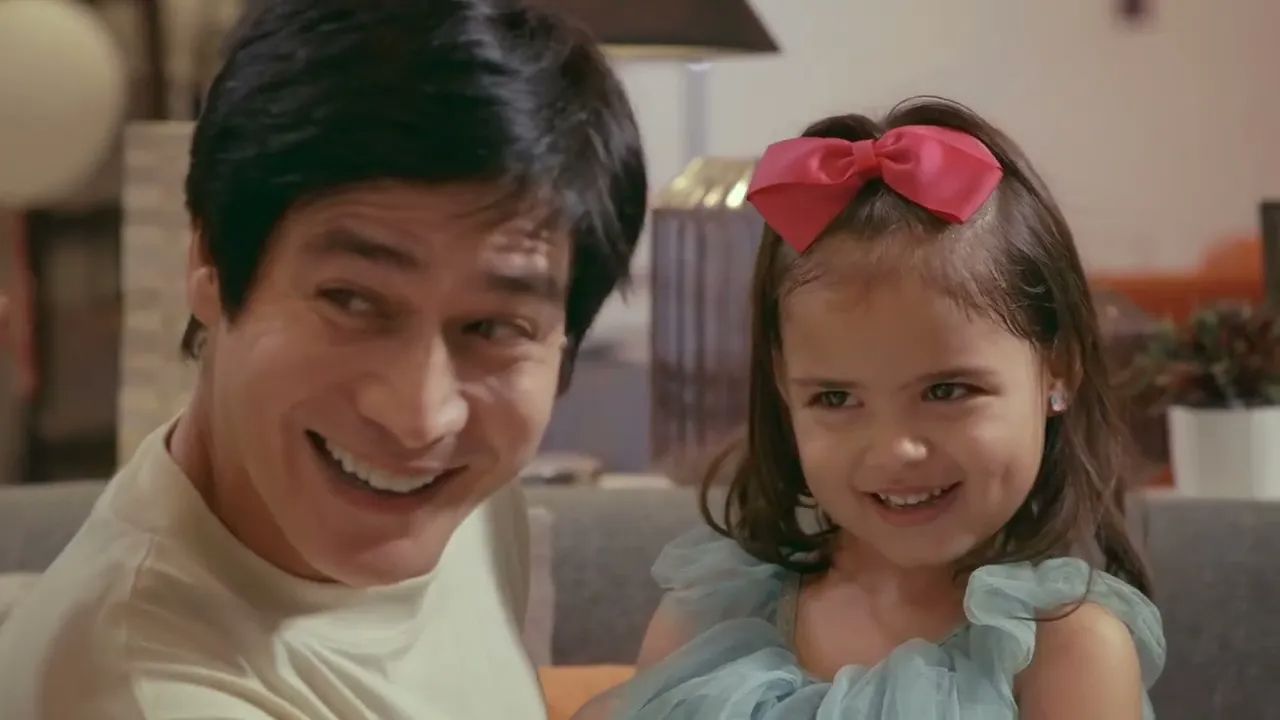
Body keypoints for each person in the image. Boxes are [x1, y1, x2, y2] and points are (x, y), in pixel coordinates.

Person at [0, 1, 646, 718]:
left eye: (492, 326)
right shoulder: (150, 693)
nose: (419, 416)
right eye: (353, 300)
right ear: (211, 262)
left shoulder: (464, 496)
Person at [577, 98, 1165, 720]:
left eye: (947, 391)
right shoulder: (713, 613)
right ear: (783, 387)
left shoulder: (1068, 652)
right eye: (835, 398)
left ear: (1059, 367)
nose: (894, 449)